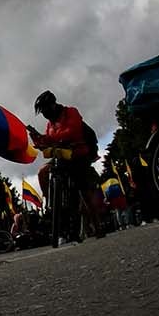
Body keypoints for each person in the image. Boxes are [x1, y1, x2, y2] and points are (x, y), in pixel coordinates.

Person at [28, 91, 105, 240]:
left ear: (53, 105)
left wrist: (49, 139)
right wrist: (39, 140)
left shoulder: (71, 112)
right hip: (62, 156)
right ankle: (49, 202)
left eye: (45, 110)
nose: (45, 114)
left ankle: (97, 226)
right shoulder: (50, 124)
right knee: (43, 172)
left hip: (79, 154)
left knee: (83, 191)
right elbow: (49, 141)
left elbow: (72, 131)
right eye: (42, 112)